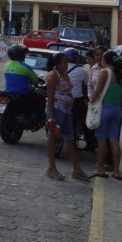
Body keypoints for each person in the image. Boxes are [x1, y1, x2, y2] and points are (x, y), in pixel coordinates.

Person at [44, 51, 92, 182]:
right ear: (58, 63)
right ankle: (51, 168)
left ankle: (76, 169)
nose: (67, 64)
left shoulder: (64, 74)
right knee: (52, 138)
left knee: (70, 139)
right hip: (56, 110)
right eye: (64, 62)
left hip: (66, 112)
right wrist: (52, 116)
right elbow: (50, 97)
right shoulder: (53, 76)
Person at [90, 50, 122, 180]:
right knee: (114, 140)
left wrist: (90, 103)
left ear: (105, 60)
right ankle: (116, 171)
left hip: (104, 108)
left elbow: (97, 91)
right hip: (117, 109)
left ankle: (100, 168)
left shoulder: (104, 72)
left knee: (101, 141)